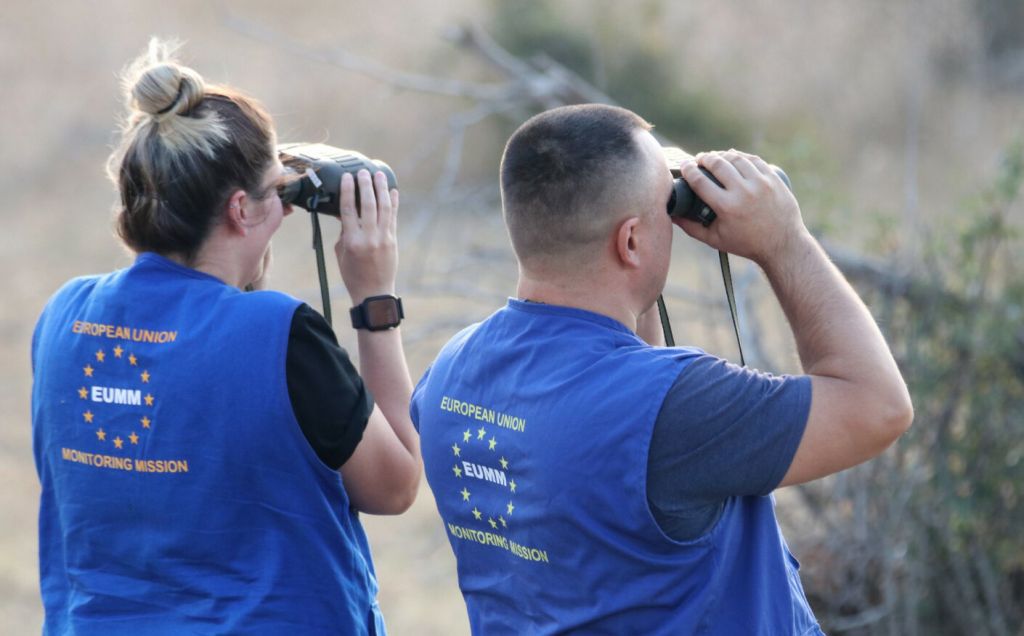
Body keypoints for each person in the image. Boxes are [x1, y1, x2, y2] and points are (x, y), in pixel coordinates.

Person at [411, 104, 914, 634]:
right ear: (630, 241)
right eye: (665, 207)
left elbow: (607, 400)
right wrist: (783, 241)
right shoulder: (676, 408)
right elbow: (878, 407)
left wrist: (640, 205)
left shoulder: (449, 375)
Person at [30, 39, 420, 634]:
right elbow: (394, 486)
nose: (287, 210)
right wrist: (374, 300)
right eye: (276, 192)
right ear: (240, 209)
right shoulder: (278, 334)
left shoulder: (63, 317)